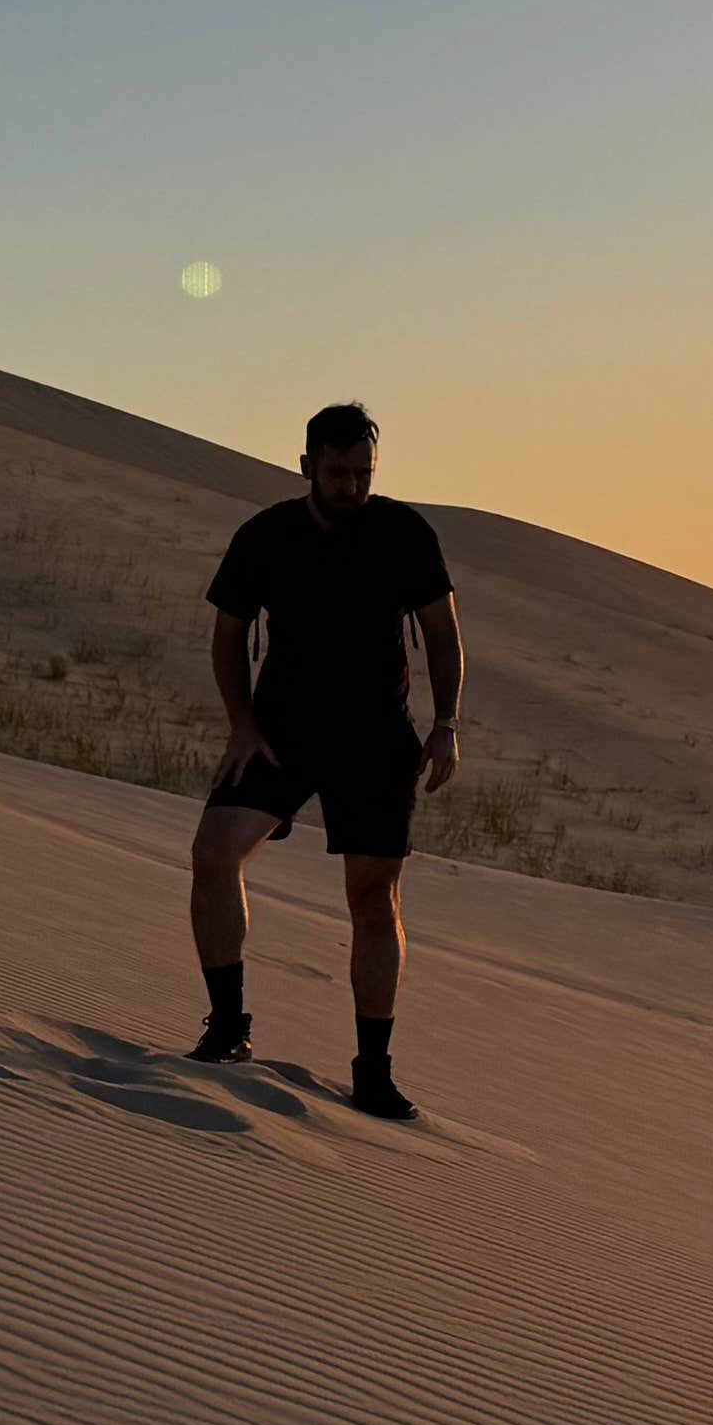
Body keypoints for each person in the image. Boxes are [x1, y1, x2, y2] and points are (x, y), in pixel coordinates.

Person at [187, 402, 461, 1119]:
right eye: (338, 473)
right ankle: (227, 1028)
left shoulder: (404, 533)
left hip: (376, 741)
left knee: (375, 901)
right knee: (215, 854)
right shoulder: (266, 535)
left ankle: (374, 1069)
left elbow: (442, 632)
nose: (353, 487)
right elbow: (228, 634)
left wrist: (447, 724)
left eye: (364, 473)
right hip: (281, 730)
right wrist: (241, 723)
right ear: (307, 465)